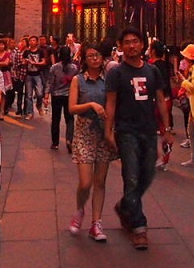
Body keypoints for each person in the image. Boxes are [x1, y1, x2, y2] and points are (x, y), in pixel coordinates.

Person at [105, 26, 175, 251]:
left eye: (135, 41)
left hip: (148, 129)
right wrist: (108, 131)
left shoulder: (152, 71)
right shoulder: (116, 72)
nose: (132, 45)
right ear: (121, 46)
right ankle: (139, 226)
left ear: (143, 45)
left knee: (147, 173)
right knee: (132, 177)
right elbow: (111, 102)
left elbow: (161, 99)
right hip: (126, 131)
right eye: (127, 42)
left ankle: (125, 205)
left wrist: (167, 129)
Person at [68, 43, 119, 242]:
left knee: (100, 182)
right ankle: (80, 210)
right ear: (84, 59)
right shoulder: (78, 80)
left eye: (97, 55)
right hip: (84, 132)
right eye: (90, 56)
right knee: (85, 182)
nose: (95, 59)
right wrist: (90, 104)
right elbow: (72, 108)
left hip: (104, 133)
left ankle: (96, 223)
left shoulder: (109, 81)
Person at [148, 40, 174, 170]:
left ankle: (157, 157)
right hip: (167, 98)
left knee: (152, 128)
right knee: (165, 128)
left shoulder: (152, 66)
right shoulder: (166, 65)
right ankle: (165, 158)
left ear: (152, 51)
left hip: (157, 100)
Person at [46, 45, 78, 151]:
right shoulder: (74, 68)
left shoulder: (55, 67)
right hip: (69, 95)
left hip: (56, 95)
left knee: (56, 118)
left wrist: (46, 95)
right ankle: (69, 139)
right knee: (70, 119)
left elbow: (50, 82)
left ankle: (55, 143)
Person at [24, 35, 47, 118]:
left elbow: (44, 62)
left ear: (37, 42)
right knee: (29, 95)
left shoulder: (40, 51)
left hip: (37, 74)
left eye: (34, 40)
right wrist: (26, 61)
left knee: (40, 93)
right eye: (30, 41)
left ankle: (38, 105)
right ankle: (30, 113)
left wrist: (35, 63)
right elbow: (23, 62)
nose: (32, 42)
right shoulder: (26, 52)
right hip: (29, 75)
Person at [0, 38, 13, 114]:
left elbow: (6, 63)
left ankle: (2, 110)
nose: (1, 46)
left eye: (2, 44)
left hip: (4, 73)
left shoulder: (7, 53)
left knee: (3, 93)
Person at [9, 37, 28, 117]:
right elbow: (16, 64)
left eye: (23, 42)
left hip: (27, 74)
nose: (21, 43)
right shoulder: (18, 52)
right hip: (19, 74)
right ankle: (19, 108)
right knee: (20, 92)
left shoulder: (28, 52)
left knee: (27, 93)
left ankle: (25, 109)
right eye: (21, 42)